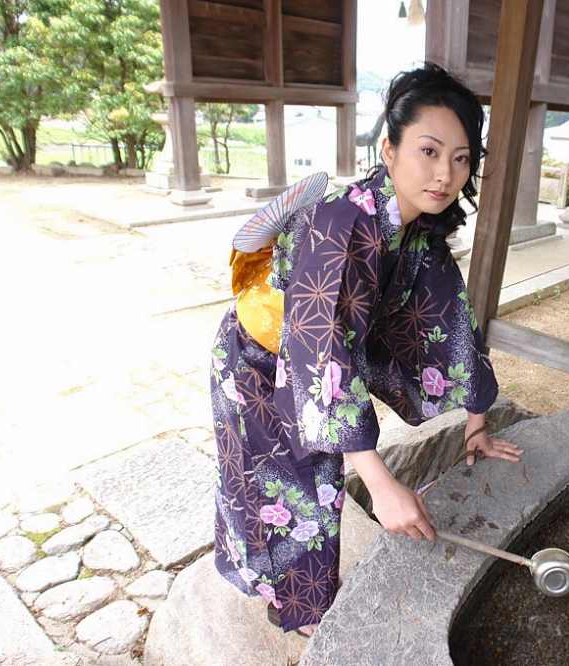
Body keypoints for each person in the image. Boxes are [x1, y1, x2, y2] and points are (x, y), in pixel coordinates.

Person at [209, 62, 523, 638]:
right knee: (289, 483)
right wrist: (381, 485)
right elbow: (319, 348)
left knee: (318, 474)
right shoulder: (339, 220)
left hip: (314, 360)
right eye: (429, 151)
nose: (445, 174)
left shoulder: (417, 228)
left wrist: (476, 421)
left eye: (460, 159)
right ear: (389, 148)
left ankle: (304, 600)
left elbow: (449, 318)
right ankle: (298, 609)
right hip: (259, 358)